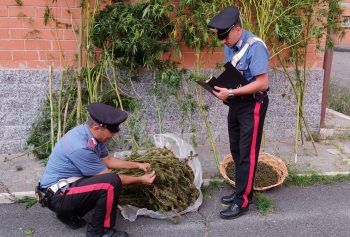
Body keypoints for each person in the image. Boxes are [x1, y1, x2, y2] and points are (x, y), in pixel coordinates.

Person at [36, 103, 156, 237]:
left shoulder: (90, 136)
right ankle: (99, 232)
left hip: (63, 189)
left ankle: (69, 215)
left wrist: (137, 165)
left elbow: (108, 160)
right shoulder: (80, 146)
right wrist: (140, 179)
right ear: (97, 127)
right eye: (112, 131)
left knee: (104, 182)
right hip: (58, 196)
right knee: (110, 183)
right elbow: (110, 177)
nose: (114, 134)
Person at [208, 6, 269, 219]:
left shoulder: (255, 47)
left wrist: (231, 91)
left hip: (253, 104)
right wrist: (219, 89)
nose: (223, 42)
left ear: (237, 29)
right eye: (221, 38)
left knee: (247, 153)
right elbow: (235, 73)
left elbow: (262, 83)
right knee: (235, 149)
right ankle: (239, 191)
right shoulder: (230, 45)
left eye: (225, 37)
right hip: (236, 102)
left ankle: (243, 201)